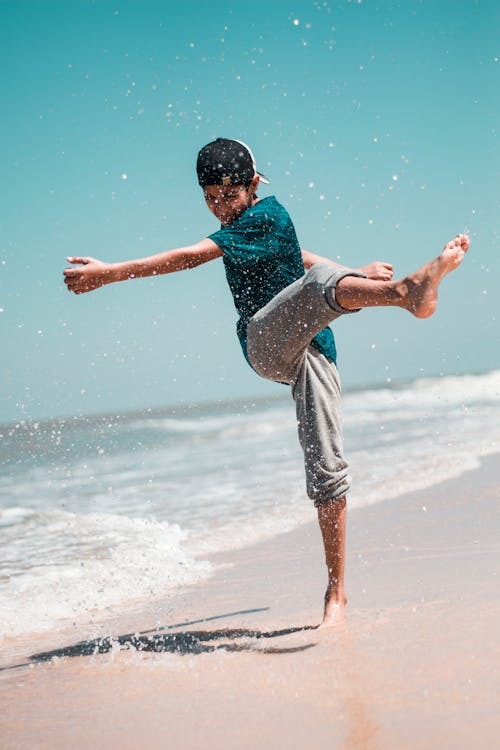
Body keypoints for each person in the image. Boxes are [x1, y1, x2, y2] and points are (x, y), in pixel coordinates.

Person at [63, 137, 470, 627]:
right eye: (210, 197)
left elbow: (271, 255)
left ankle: (336, 594)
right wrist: (357, 274)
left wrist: (110, 274)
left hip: (311, 352)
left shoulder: (269, 217)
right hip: (264, 341)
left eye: (229, 195)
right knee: (323, 287)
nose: (220, 207)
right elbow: (233, 257)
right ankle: (405, 292)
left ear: (254, 185)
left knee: (327, 467)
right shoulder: (251, 224)